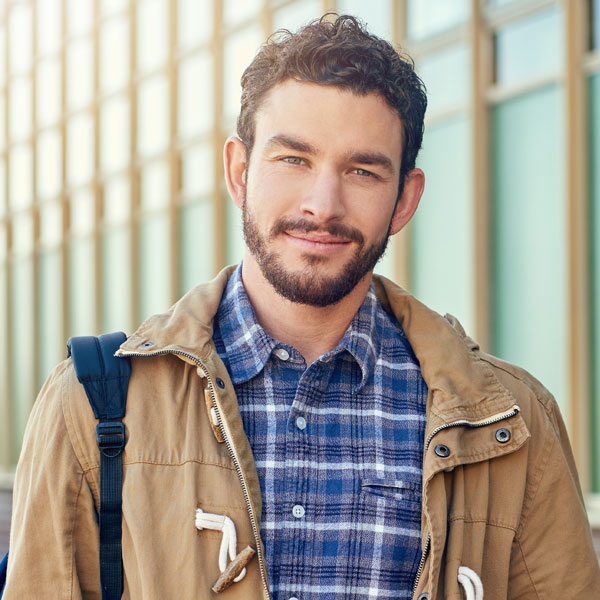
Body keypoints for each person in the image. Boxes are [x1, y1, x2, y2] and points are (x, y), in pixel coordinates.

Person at [4, 13, 600, 600]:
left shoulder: (514, 425)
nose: (323, 204)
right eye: (294, 159)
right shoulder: (92, 406)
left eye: (362, 170)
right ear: (239, 172)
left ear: (404, 200)